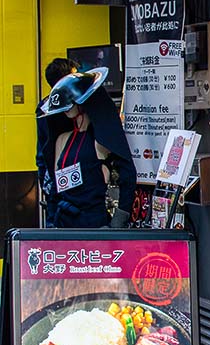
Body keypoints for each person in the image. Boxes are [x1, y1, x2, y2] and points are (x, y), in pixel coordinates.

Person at [37, 63, 136, 228]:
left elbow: (128, 174)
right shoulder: (62, 139)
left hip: (93, 222)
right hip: (63, 220)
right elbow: (55, 185)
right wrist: (52, 220)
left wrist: (119, 220)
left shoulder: (99, 141)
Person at [36, 58, 78, 227]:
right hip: (68, 175)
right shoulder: (69, 107)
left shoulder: (43, 106)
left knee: (54, 228)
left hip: (49, 175)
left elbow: (42, 148)